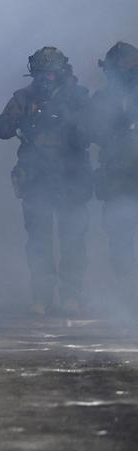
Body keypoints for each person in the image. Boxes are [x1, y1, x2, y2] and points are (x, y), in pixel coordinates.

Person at [0, 46, 92, 315]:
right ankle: (41, 296)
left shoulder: (78, 97)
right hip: (37, 179)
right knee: (39, 242)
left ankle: (71, 295)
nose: (46, 79)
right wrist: (19, 123)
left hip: (71, 178)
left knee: (73, 239)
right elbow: (1, 129)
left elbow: (94, 131)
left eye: (51, 74)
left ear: (61, 72)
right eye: (41, 74)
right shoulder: (24, 98)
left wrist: (73, 124)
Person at [92, 42, 138, 312]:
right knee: (119, 237)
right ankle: (126, 292)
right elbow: (89, 130)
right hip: (117, 176)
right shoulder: (103, 98)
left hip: (124, 173)